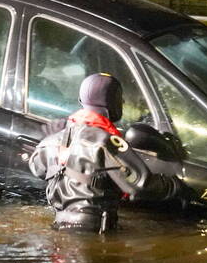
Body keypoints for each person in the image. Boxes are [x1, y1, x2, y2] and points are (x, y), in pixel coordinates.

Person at [29, 73, 181, 233]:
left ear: (81, 101)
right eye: (120, 98)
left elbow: (38, 169)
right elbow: (140, 184)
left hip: (60, 225)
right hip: (93, 230)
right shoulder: (104, 141)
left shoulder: (51, 141)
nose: (123, 102)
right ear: (112, 103)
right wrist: (177, 187)